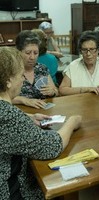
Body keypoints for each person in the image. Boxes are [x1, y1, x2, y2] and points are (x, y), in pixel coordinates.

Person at [0, 46, 82, 199]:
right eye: (20, 75)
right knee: (55, 185)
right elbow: (52, 147)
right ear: (9, 81)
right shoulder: (9, 116)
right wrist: (71, 122)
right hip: (8, 191)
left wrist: (27, 117)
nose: (23, 79)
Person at [12, 30, 59, 109]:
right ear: (18, 52)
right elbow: (2, 98)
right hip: (20, 113)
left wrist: (53, 92)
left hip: (43, 112)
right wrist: (24, 100)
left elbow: (56, 91)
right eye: (28, 53)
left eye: (36, 53)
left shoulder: (42, 68)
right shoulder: (11, 70)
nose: (32, 57)